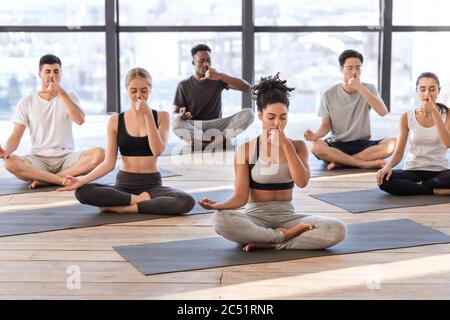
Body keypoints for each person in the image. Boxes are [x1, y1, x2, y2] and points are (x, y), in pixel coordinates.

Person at [199, 73, 346, 251]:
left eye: (283, 117)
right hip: (255, 218)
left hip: (289, 217)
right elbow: (240, 197)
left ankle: (270, 242)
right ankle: (283, 236)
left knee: (337, 229)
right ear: (260, 116)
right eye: (271, 117)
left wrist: (285, 145)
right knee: (220, 220)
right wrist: (219, 206)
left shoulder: (297, 146)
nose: (277, 123)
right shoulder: (246, 150)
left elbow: (302, 181)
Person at [57, 67, 195, 214]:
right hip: (124, 185)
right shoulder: (115, 121)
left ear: (150, 90)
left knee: (186, 201)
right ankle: (139, 202)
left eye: (144, 91)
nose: (139, 96)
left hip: (152, 186)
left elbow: (157, 151)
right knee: (83, 191)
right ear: (127, 90)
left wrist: (147, 115)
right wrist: (82, 180)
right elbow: (108, 163)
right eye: (133, 91)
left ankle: (126, 208)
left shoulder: (162, 117)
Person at [0, 54, 104, 188]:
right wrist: (6, 151)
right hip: (38, 159)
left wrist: (61, 92)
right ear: (39, 73)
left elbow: (80, 120)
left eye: (56, 71)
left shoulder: (70, 96)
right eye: (47, 71)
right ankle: (59, 180)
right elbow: (16, 135)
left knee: (100, 154)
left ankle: (46, 180)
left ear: (61, 73)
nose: (52, 76)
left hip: (67, 157)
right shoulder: (27, 101)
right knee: (10, 163)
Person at [304, 49, 396, 170]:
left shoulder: (369, 89)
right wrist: (315, 135)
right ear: (341, 69)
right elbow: (325, 125)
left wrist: (359, 87)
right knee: (316, 147)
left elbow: (383, 112)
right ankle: (362, 163)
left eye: (358, 68)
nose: (354, 72)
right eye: (350, 68)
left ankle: (340, 162)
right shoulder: (328, 94)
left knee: (393, 144)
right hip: (338, 143)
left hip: (362, 143)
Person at [377, 72, 450, 196]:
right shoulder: (406, 117)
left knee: (443, 178)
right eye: (422, 89)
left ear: (439, 90)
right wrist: (388, 166)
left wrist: (434, 113)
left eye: (432, 89)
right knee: (384, 179)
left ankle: (418, 187)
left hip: (440, 171)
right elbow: (398, 152)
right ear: (417, 91)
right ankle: (433, 190)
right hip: (413, 170)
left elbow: (447, 143)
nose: (427, 94)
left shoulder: (447, 114)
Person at [172, 44, 254, 151]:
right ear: (193, 63)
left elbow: (247, 88)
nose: (206, 64)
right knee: (176, 123)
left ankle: (208, 143)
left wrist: (220, 75)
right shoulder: (183, 85)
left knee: (248, 113)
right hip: (195, 127)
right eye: (201, 61)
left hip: (217, 125)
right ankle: (213, 142)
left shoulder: (217, 79)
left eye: (208, 60)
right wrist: (180, 115)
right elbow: (174, 114)